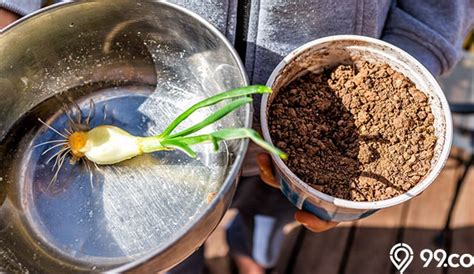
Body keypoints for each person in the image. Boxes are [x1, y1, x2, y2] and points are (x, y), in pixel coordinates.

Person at [2, 1, 473, 273]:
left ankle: (254, 255)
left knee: (278, 213)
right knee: (169, 246)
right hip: (156, 98)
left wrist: (406, 63)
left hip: (299, 134)